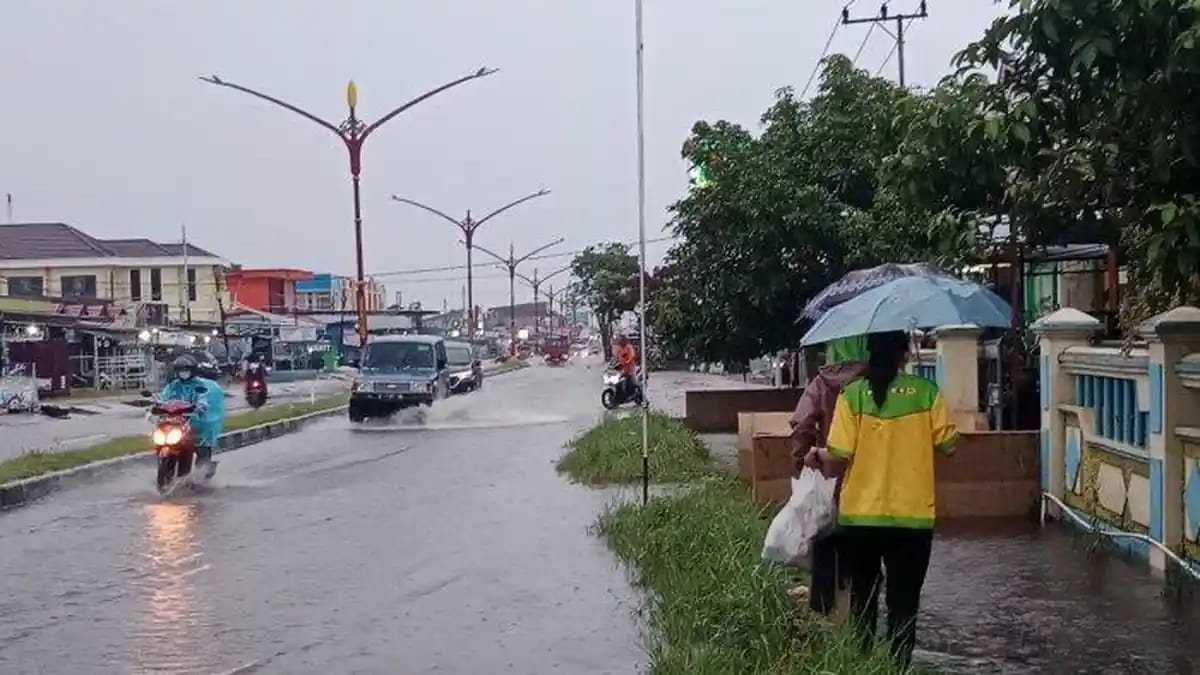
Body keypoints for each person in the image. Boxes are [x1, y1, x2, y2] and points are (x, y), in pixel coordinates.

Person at [806, 330, 957, 667]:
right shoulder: (926, 394)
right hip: (913, 519)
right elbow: (949, 446)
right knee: (904, 606)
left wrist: (817, 455)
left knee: (864, 600)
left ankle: (862, 665)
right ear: (905, 354)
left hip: (860, 518)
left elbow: (838, 456)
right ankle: (898, 668)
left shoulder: (853, 395)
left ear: (869, 354)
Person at [789, 335, 869, 617]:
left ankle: (823, 611)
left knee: (824, 541)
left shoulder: (821, 384)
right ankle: (858, 612)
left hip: (826, 473)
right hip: (864, 481)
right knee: (861, 551)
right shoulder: (872, 383)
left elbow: (801, 423)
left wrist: (802, 459)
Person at [158, 354, 226, 469]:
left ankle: (203, 472)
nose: (183, 373)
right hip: (176, 421)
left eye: (186, 370)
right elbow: (163, 397)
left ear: (192, 370)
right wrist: (157, 403)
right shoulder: (173, 385)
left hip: (195, 421)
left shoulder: (199, 385)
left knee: (201, 445)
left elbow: (203, 396)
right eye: (180, 370)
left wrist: (200, 405)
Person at [614, 334, 639, 399]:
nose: (619, 341)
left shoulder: (629, 347)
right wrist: (612, 365)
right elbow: (616, 357)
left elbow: (632, 356)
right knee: (618, 382)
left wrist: (628, 361)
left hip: (630, 369)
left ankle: (636, 394)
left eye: (620, 339)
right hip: (623, 370)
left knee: (632, 383)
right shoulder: (619, 348)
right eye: (618, 340)